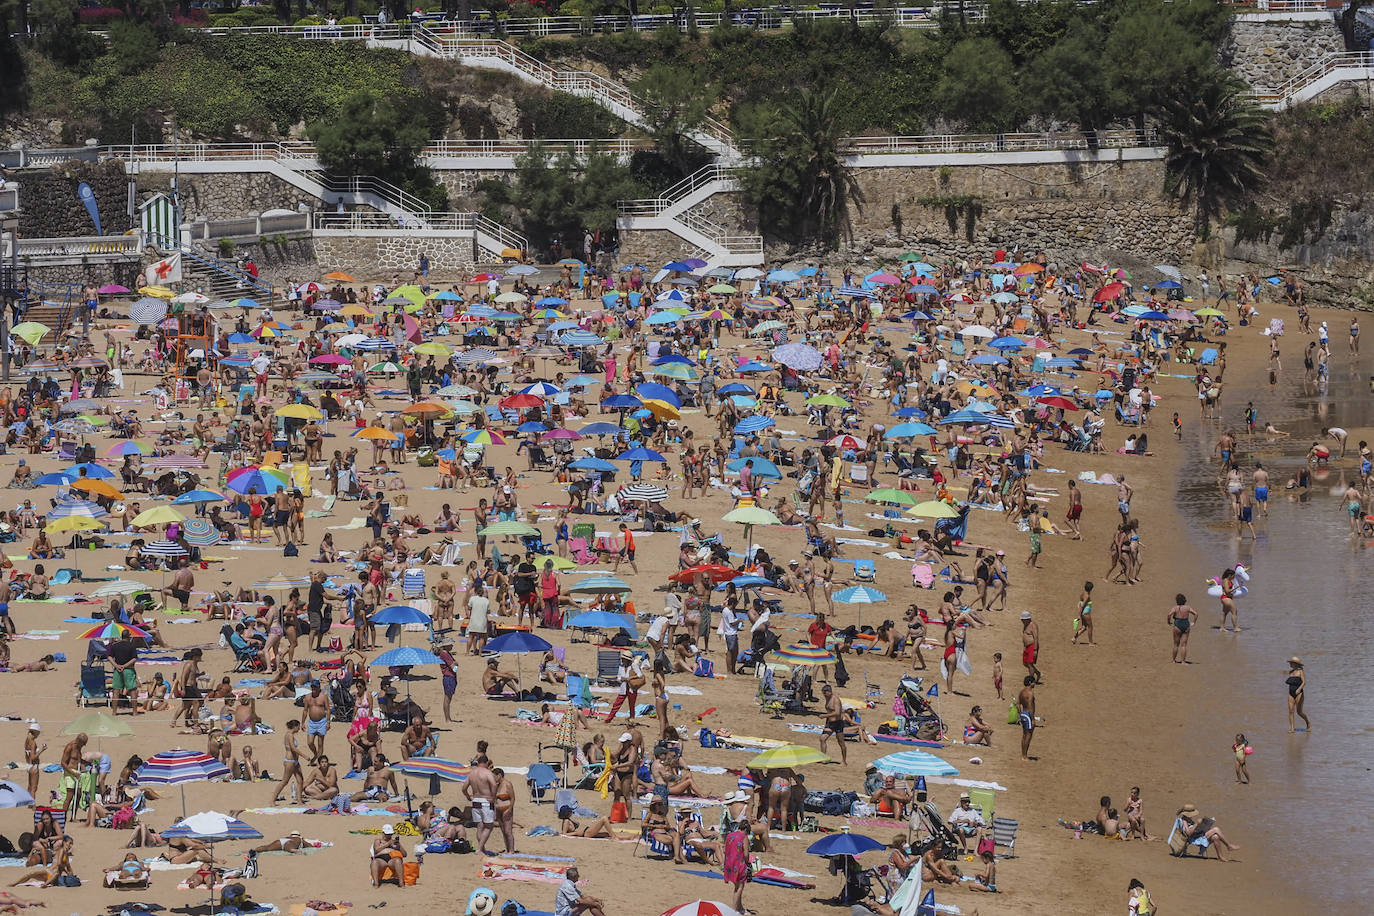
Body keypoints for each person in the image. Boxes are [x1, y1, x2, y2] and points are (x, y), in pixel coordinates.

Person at [1175, 804, 1239, 861]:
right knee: (1216, 829)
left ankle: (1220, 856)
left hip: (1197, 835)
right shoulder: (1184, 820)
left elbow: (1193, 829)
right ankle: (1229, 845)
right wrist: (1196, 824)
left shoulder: (1188, 819)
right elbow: (1188, 833)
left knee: (1215, 837)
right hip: (1194, 838)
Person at [722, 818, 750, 915]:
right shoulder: (744, 837)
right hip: (739, 864)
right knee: (740, 887)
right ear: (746, 830)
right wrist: (748, 863)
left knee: (736, 886)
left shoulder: (730, 835)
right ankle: (734, 910)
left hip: (729, 864)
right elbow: (746, 854)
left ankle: (740, 908)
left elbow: (726, 850)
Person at [817, 683, 848, 765]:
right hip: (830, 723)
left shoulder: (836, 700)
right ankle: (823, 758)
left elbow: (837, 713)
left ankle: (844, 761)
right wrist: (826, 721)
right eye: (823, 693)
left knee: (841, 742)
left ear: (830, 692)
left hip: (838, 723)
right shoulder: (827, 698)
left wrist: (824, 715)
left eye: (825, 693)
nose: (824, 695)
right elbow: (829, 711)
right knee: (822, 738)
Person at [369, 823, 405, 887]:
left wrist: (399, 846)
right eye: (387, 834)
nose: (389, 836)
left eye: (390, 834)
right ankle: (376, 884)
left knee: (398, 860)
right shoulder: (378, 841)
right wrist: (388, 844)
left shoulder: (394, 842)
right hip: (381, 860)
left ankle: (401, 883)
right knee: (374, 862)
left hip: (392, 860)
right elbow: (376, 850)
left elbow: (405, 854)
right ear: (383, 833)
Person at [1168, 595, 1198, 663]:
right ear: (1185, 600)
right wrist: (1193, 622)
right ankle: (1183, 661)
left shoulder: (1175, 608)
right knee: (1183, 645)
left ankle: (1173, 660)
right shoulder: (1188, 607)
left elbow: (1169, 614)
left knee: (1176, 644)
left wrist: (1169, 622)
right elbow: (1196, 614)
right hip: (1186, 624)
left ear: (1177, 601)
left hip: (1177, 625)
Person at [1285, 656, 1310, 733]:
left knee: (1299, 712)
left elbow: (1304, 682)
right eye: (1290, 663)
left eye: (1291, 663)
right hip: (1290, 693)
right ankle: (1292, 729)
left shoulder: (1300, 671)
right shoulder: (1290, 672)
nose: (1290, 664)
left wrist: (1299, 689)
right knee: (1291, 711)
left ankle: (1307, 722)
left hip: (1299, 693)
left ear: (1295, 664)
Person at [1017, 675, 1037, 761]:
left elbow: (1018, 704)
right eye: (1033, 682)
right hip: (1028, 715)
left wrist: (1020, 714)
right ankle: (1024, 756)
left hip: (1023, 714)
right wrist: (1032, 719)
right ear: (1030, 683)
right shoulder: (1030, 693)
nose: (1034, 683)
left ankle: (1023, 754)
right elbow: (1030, 707)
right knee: (1028, 735)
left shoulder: (1021, 692)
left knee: (1024, 735)